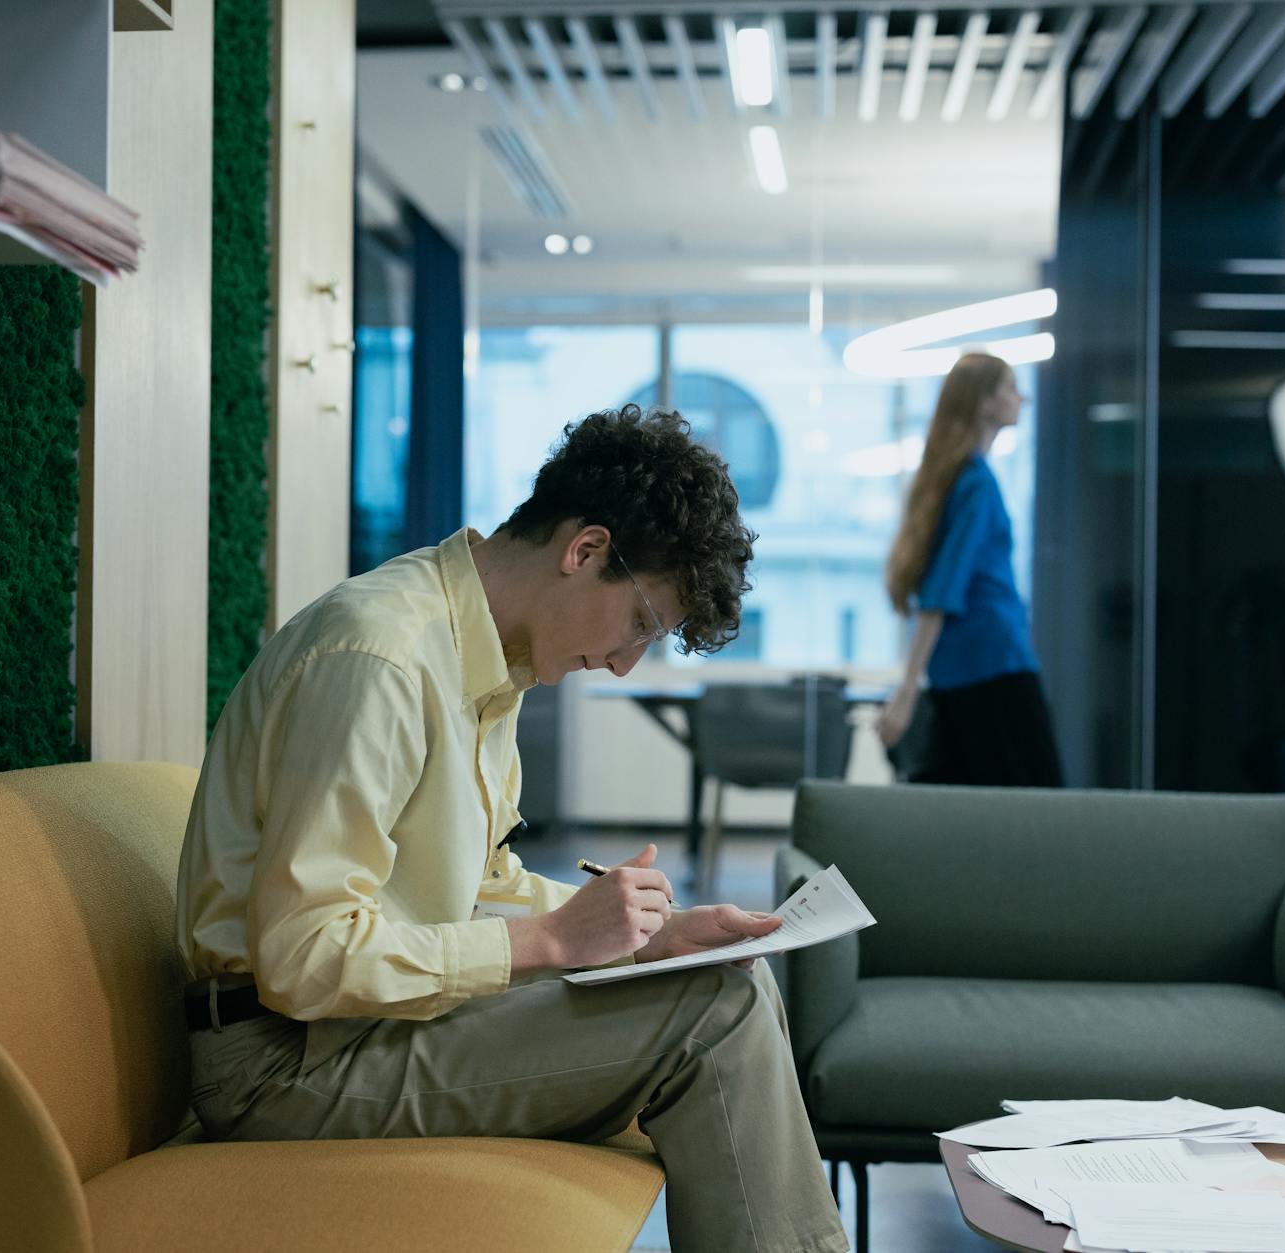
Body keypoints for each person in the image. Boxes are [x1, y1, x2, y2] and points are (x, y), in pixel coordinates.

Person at [177, 405, 850, 1253]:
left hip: (361, 1032)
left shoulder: (488, 664)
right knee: (714, 1009)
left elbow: (479, 884)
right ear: (586, 550)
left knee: (731, 982)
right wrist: (553, 942)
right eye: (642, 622)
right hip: (284, 1065)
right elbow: (304, 957)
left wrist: (645, 935)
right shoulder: (378, 660)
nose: (626, 661)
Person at [875, 352, 1063, 787]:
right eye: (1011, 388)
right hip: (995, 667)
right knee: (1041, 803)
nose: (1023, 397)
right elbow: (942, 592)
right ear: (984, 402)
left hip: (962, 671)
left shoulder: (957, 479)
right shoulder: (976, 484)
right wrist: (905, 690)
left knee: (961, 799)